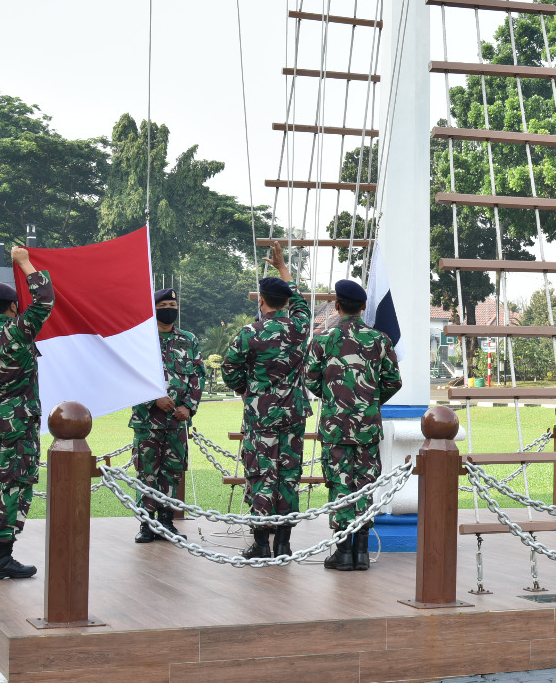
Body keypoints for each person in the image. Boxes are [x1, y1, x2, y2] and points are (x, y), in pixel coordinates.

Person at [0, 246, 54, 580]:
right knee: (13, 484)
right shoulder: (18, 331)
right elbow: (45, 300)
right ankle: (2, 558)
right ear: (13, 307)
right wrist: (25, 263)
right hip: (17, 422)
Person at [222, 244, 313, 560]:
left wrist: (244, 390)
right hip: (293, 414)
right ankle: (284, 544)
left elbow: (229, 367)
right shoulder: (299, 327)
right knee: (289, 475)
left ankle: (262, 544)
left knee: (262, 475)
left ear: (261, 301)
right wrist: (283, 268)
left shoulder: (250, 333)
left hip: (261, 417)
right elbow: (301, 303)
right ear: (286, 303)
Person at [306, 279, 402, 571]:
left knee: (339, 486)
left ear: (337, 305)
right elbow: (394, 382)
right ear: (363, 307)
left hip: (336, 427)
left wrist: (338, 399)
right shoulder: (380, 340)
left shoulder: (322, 340)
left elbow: (311, 380)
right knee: (365, 485)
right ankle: (361, 552)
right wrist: (368, 402)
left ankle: (343, 552)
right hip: (367, 427)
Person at [130, 288, 206, 543]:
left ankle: (166, 522)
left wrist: (188, 406)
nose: (170, 307)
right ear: (154, 308)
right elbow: (130, 375)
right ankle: (146, 524)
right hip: (147, 421)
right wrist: (154, 398)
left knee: (172, 472)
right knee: (147, 473)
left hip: (177, 421)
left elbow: (197, 375)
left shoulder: (188, 339)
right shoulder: (141, 339)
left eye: (173, 303)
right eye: (164, 303)